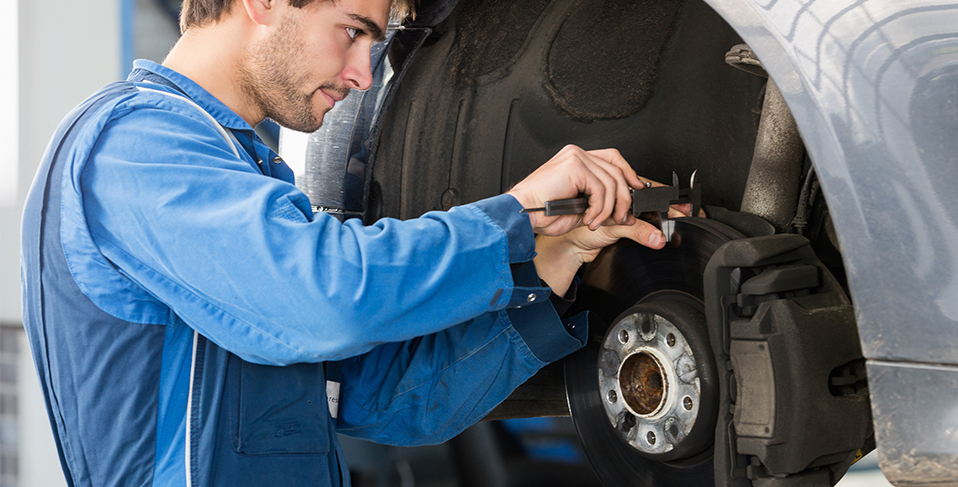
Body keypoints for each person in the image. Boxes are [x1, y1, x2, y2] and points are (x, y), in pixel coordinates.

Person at [20, 0, 682, 485]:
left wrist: (553, 255)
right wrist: (516, 214)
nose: (365, 73)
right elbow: (325, 297)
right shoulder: (134, 145)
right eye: (354, 32)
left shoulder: (245, 180)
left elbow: (392, 401)